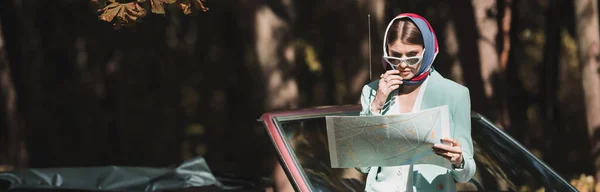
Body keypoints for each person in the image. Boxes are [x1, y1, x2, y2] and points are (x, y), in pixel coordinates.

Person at [357, 13, 476, 192]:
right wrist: (376, 106)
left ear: (426, 50)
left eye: (412, 57)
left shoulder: (454, 95)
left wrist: (459, 160)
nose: (403, 65)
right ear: (386, 52)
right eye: (395, 57)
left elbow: (466, 174)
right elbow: (362, 165)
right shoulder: (372, 92)